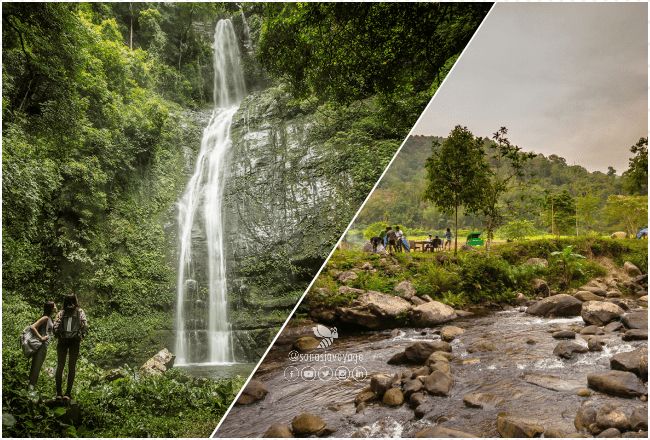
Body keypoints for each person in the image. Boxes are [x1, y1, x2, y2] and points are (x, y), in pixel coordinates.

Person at [53, 294, 88, 401]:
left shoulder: (61, 312)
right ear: (75, 300)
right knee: (71, 367)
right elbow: (85, 325)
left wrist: (58, 335)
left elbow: (55, 326)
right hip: (75, 342)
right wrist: (81, 335)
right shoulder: (80, 311)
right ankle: (67, 394)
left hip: (62, 341)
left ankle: (59, 393)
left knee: (60, 365)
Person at [28, 301, 57, 390]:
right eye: (54, 305)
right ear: (51, 308)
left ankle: (31, 388)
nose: (56, 307)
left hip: (43, 346)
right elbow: (32, 327)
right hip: (41, 346)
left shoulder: (49, 318)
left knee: (36, 367)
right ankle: (30, 391)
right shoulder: (45, 317)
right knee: (36, 368)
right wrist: (41, 337)